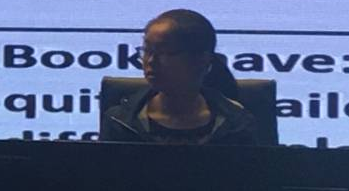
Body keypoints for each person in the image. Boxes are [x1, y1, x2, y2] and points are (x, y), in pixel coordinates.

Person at [102, 8, 258, 145]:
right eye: (147, 51)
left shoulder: (236, 124)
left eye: (166, 53)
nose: (151, 61)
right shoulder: (120, 121)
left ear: (201, 60)